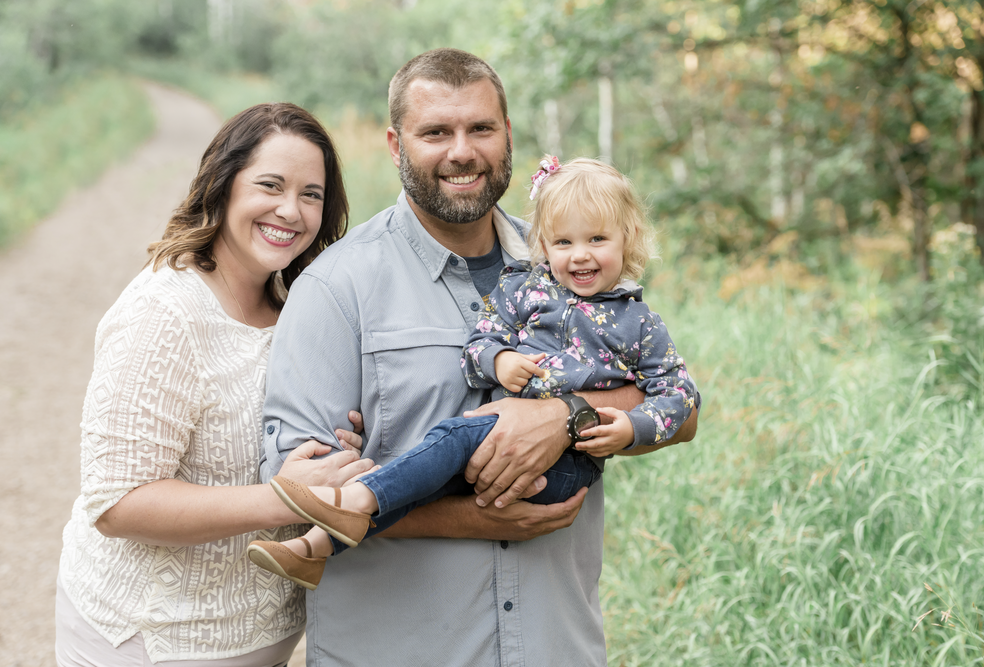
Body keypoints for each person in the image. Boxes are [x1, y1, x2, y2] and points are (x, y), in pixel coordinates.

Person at [261, 48, 699, 667]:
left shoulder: (572, 259)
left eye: (480, 129)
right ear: (395, 144)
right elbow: (294, 491)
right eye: (436, 131)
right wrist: (474, 518)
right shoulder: (337, 288)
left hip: (555, 644)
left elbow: (681, 411)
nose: (461, 151)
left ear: (508, 135)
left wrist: (564, 416)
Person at [249, 156, 700, 589]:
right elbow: (478, 345)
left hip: (563, 473)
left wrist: (631, 428)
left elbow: (679, 395)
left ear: (629, 238)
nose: (580, 257)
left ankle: (353, 499)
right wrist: (499, 361)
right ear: (543, 244)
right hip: (495, 455)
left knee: (451, 438)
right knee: (413, 484)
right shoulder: (526, 291)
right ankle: (311, 548)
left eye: (597, 240)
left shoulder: (639, 323)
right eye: (564, 243)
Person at [55, 103, 376, 667]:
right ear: (224, 184)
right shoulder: (166, 311)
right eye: (270, 185)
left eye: (311, 194)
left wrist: (344, 444)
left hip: (261, 640)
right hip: (151, 642)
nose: (290, 210)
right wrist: (284, 497)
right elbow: (117, 503)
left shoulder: (299, 310)